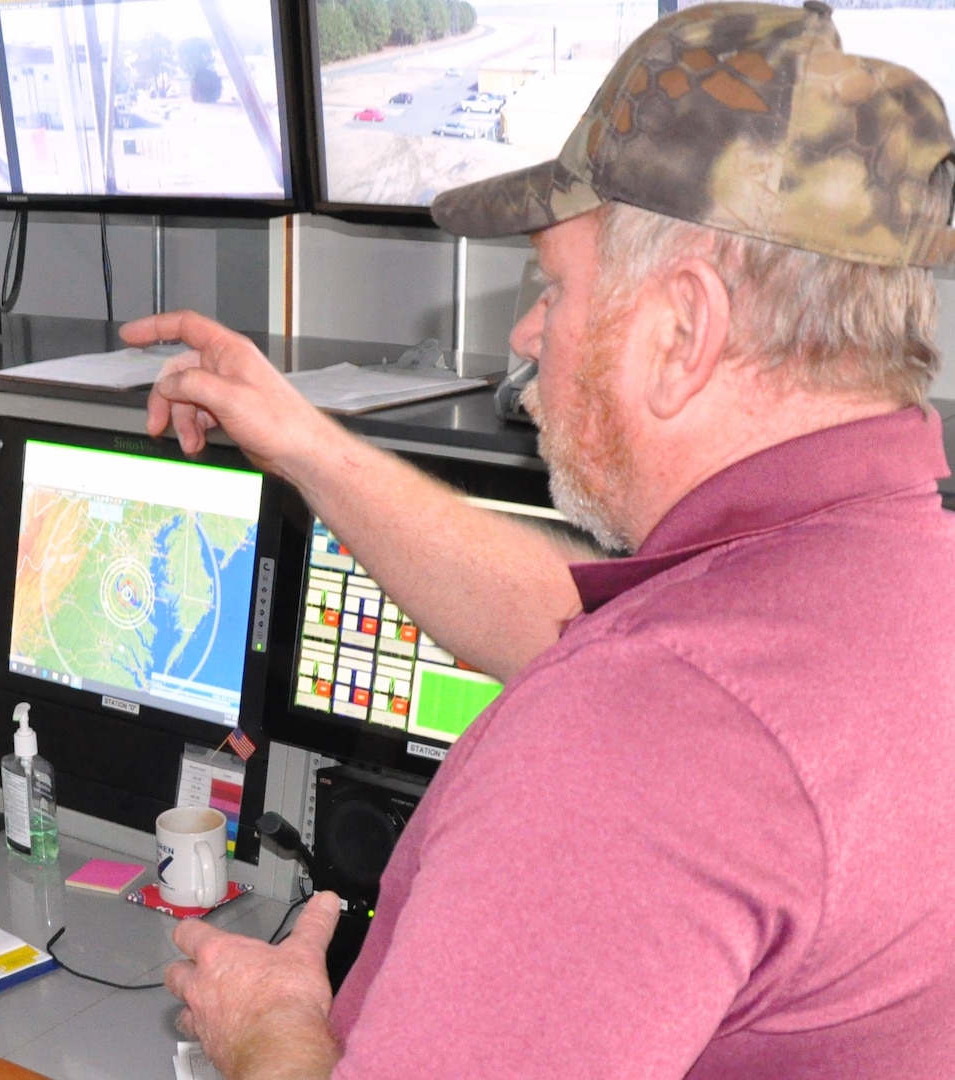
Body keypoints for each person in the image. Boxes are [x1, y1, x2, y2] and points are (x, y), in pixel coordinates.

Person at [146, 3, 955, 1077]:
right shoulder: (877, 585)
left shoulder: (642, 738)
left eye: (556, 287)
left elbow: (651, 711)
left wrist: (273, 1032)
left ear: (684, 330)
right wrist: (304, 444)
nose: (529, 335)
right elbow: (574, 631)